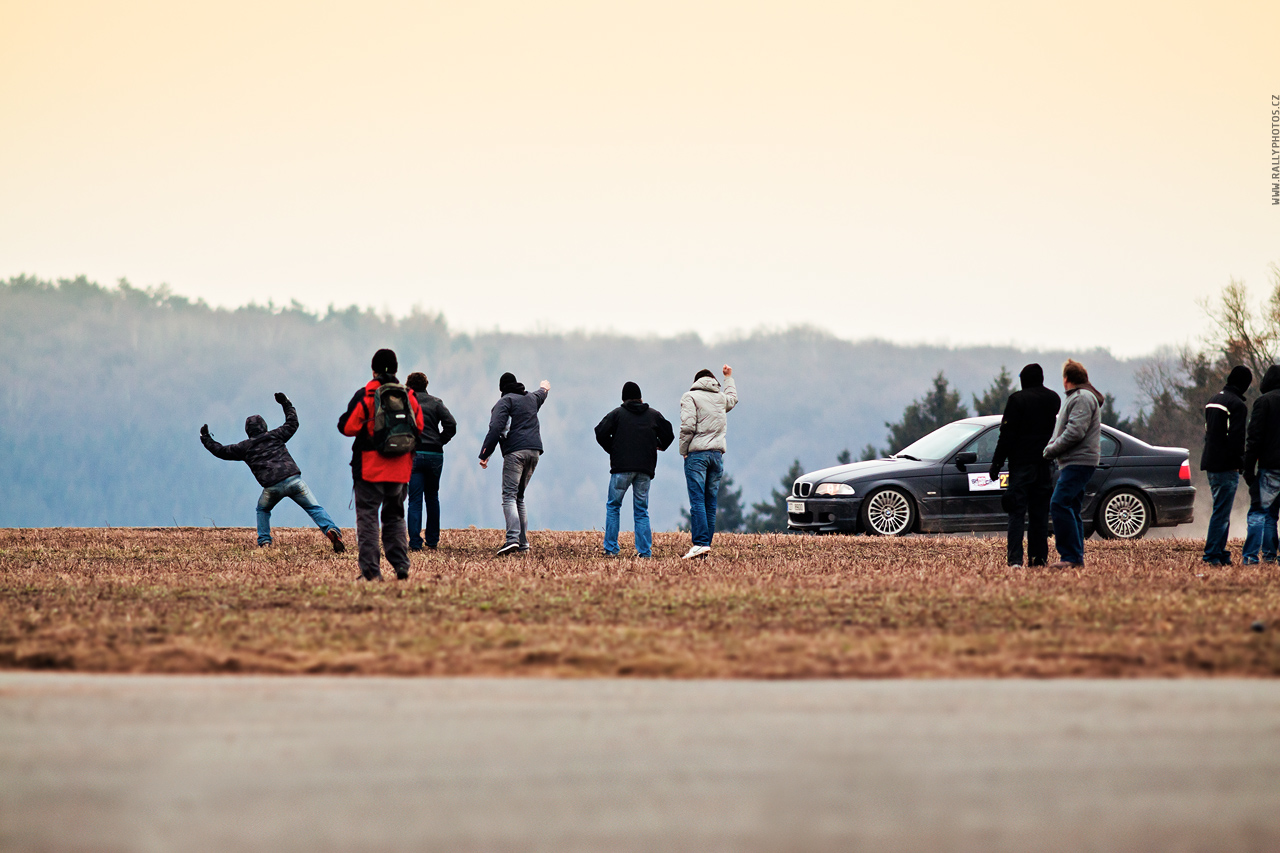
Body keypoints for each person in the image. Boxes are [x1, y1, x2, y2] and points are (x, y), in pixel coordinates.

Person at [200, 392, 345, 552]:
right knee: (314, 508)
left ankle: (265, 542)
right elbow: (292, 423)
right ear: (265, 427)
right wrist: (286, 403)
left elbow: (221, 451)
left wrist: (206, 437)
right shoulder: (276, 435)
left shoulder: (244, 447)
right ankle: (332, 531)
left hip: (272, 487)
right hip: (293, 479)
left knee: (263, 509)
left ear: (248, 431)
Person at [338, 348, 424, 581]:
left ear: (373, 369)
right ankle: (401, 565)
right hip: (400, 469)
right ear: (396, 369)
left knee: (368, 518)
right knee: (395, 516)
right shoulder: (409, 396)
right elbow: (420, 427)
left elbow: (347, 428)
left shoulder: (366, 396)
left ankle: (371, 572)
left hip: (369, 468)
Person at [988, 363, 1061, 567]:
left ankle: (1015, 560)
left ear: (1024, 379)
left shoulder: (1017, 400)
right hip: (1045, 465)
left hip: (1021, 466)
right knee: (1039, 515)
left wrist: (996, 463)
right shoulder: (1053, 399)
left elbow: (1006, 436)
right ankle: (1038, 559)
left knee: (1016, 512)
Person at [594, 381, 675, 558]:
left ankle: (611, 548)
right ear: (640, 398)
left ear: (623, 399)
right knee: (641, 510)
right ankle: (644, 551)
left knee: (614, 506)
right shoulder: (654, 415)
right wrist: (658, 445)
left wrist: (613, 449)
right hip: (645, 469)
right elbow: (669, 434)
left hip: (621, 468)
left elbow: (599, 432)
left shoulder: (617, 414)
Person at [479, 372, 550, 556]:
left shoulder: (505, 402)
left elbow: (495, 428)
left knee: (509, 496)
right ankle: (523, 543)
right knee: (519, 497)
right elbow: (541, 394)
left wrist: (485, 453)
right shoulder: (531, 398)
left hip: (516, 453)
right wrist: (544, 387)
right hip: (534, 452)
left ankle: (512, 540)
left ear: (502, 388)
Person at [1042, 359, 1103, 569]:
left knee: (1059, 503)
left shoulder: (1081, 398)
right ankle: (1076, 556)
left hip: (1078, 461)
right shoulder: (1080, 397)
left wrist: (1051, 449)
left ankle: (1070, 557)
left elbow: (1075, 431)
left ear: (1066, 379)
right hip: (1074, 461)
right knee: (1072, 507)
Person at [679, 365, 738, 559]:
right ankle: (706, 545)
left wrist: (683, 450)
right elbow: (733, 399)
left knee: (697, 500)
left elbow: (687, 426)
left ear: (696, 382)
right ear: (713, 381)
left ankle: (700, 543)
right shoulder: (720, 398)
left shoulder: (690, 397)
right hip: (716, 456)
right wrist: (728, 378)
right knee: (710, 502)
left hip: (697, 455)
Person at [1200, 366, 1253, 565]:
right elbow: (1237, 440)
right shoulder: (1237, 405)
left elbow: (1210, 433)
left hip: (1210, 462)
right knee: (1221, 513)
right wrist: (1241, 464)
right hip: (1226, 466)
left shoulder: (1213, 400)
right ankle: (1212, 554)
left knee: (1220, 510)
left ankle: (1220, 552)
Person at [404, 371, 457, 551]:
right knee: (432, 497)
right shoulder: (436, 402)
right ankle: (432, 541)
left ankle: (415, 543)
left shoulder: (406, 403)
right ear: (426, 386)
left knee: (415, 499)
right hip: (435, 455)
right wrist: (440, 440)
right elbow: (451, 424)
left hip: (414, 454)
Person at [1242, 364, 1280, 564]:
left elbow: (1254, 438)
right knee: (1271, 514)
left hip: (1270, 467)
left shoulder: (1263, 402)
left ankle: (1253, 557)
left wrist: (1248, 469)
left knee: (1261, 512)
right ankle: (1271, 555)